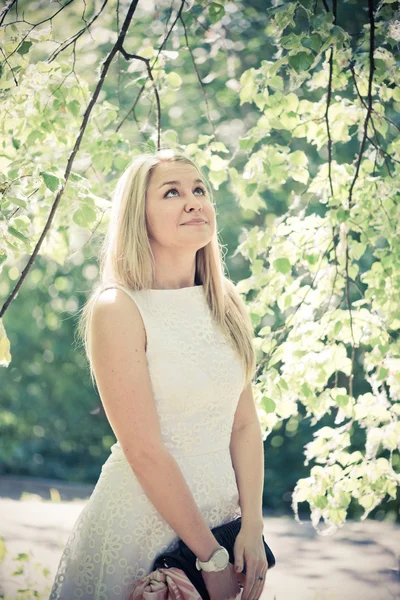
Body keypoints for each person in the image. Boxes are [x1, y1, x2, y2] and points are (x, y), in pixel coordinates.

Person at [49, 148, 267, 600]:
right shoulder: (118, 307)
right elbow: (143, 450)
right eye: (172, 192)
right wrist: (210, 560)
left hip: (225, 531)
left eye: (199, 189)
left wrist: (251, 526)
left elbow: (244, 424)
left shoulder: (225, 301)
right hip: (140, 533)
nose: (193, 201)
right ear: (138, 217)